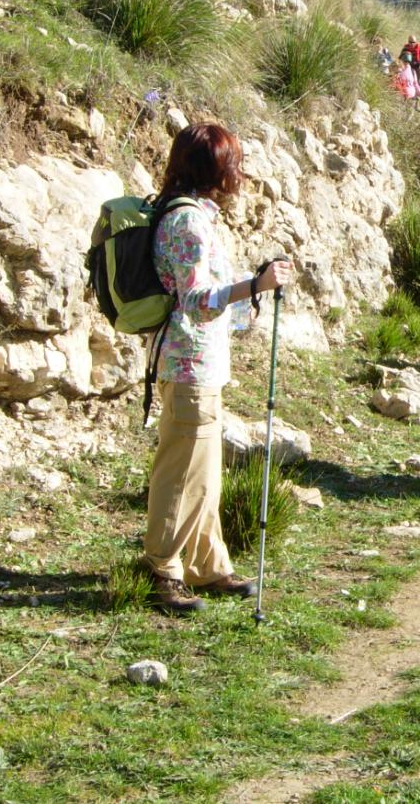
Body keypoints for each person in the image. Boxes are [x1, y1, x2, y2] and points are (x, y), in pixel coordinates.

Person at [145, 123, 294, 614]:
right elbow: (193, 300)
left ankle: (209, 565)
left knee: (204, 473)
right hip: (188, 364)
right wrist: (253, 287)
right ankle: (162, 569)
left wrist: (250, 289)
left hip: (199, 365)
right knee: (180, 472)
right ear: (215, 170)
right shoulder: (187, 222)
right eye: (234, 163)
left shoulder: (195, 217)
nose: (240, 174)